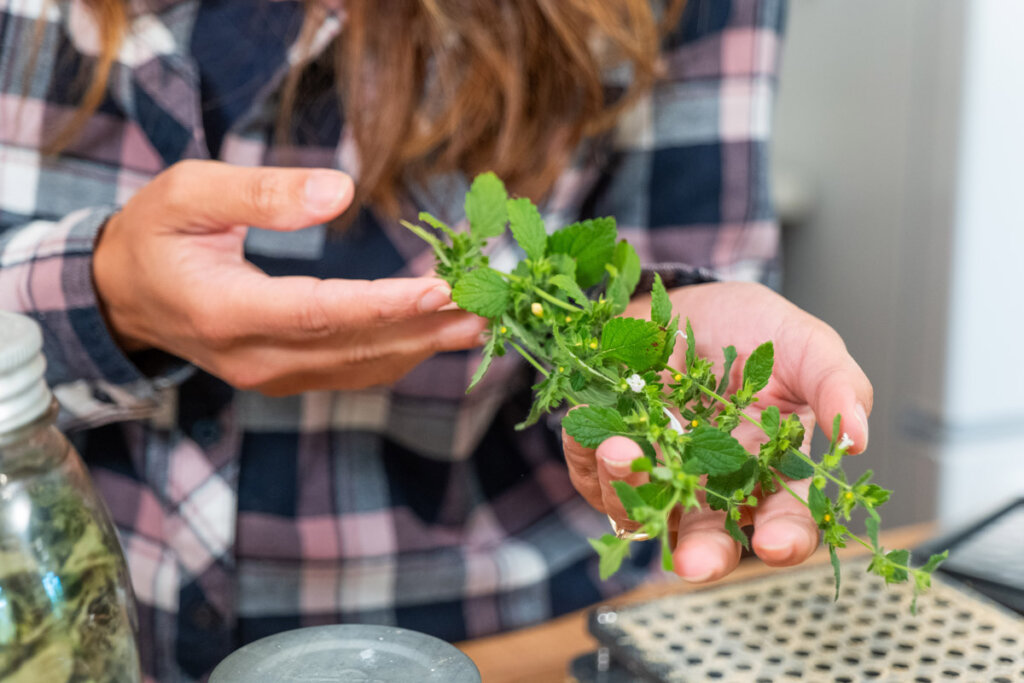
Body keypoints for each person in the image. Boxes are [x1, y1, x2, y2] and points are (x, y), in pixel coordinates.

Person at [0, 0, 872, 680]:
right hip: (60, 638)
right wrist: (105, 294)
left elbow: (672, 264)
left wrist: (661, 324)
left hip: (501, 643)